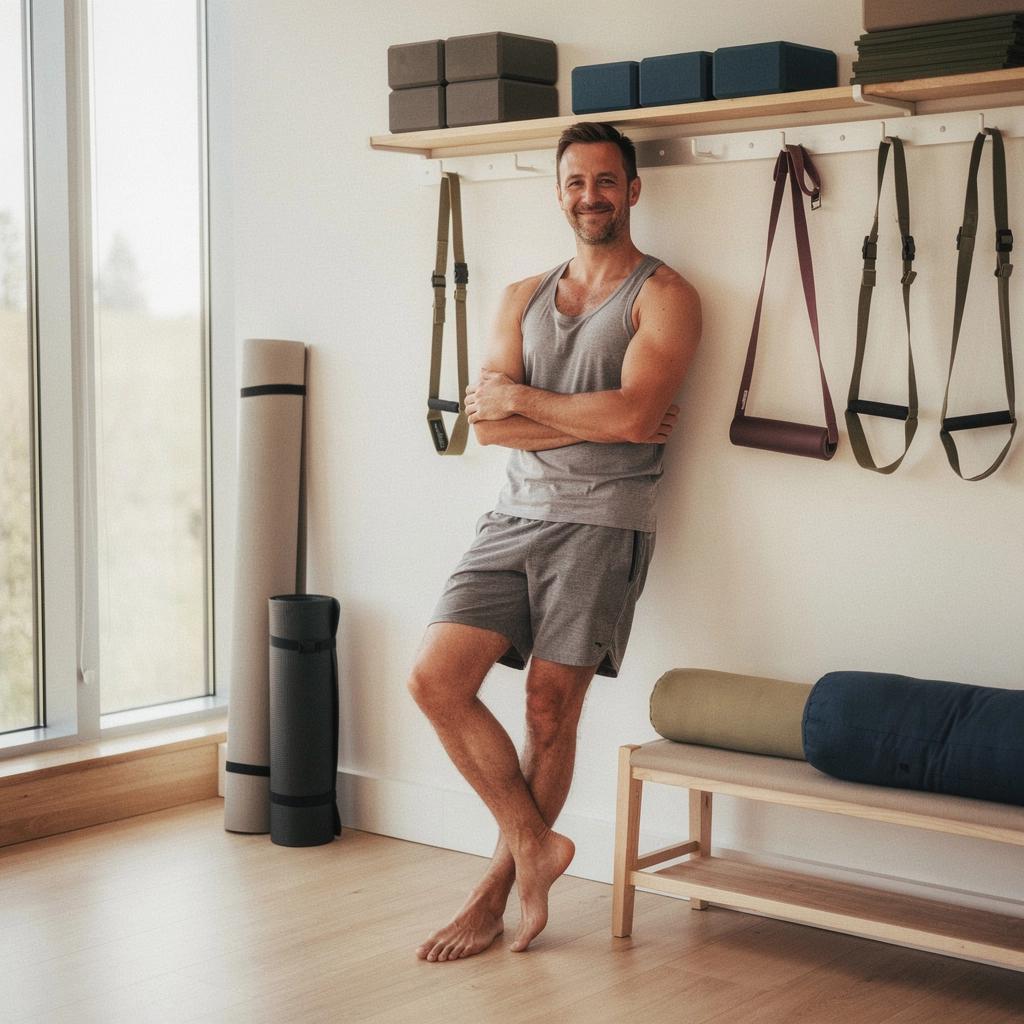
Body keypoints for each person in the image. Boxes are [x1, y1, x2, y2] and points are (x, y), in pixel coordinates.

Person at [407, 121, 702, 962]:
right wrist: (598, 419)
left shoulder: (664, 296)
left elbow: (636, 416)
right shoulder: (519, 296)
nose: (590, 196)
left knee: (549, 710)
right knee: (434, 681)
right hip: (512, 518)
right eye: (576, 182)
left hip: (603, 525)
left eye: (606, 181)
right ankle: (537, 845)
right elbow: (488, 428)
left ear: (633, 190)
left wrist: (529, 402)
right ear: (559, 193)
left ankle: (493, 893)